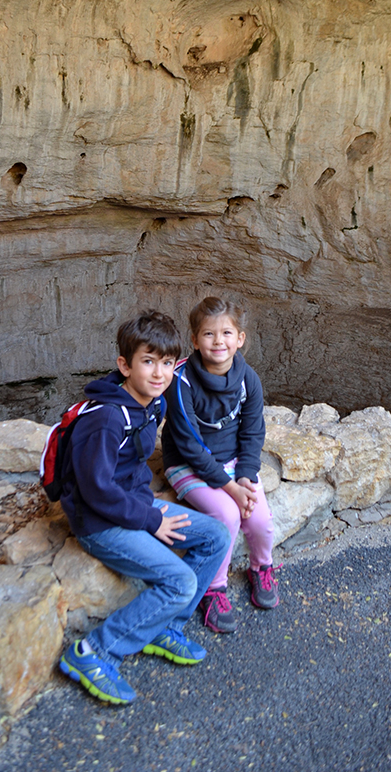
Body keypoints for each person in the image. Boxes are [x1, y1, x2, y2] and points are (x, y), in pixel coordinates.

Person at [58, 310, 231, 705]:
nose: (159, 373)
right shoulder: (104, 418)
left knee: (217, 535)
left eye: (167, 363)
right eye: (148, 361)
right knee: (180, 582)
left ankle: (163, 627)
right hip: (100, 523)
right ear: (125, 364)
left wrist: (148, 509)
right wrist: (151, 518)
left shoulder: (151, 403)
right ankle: (94, 652)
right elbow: (96, 491)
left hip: (132, 506)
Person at [162, 296, 278, 635]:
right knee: (226, 516)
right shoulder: (181, 381)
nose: (218, 341)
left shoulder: (247, 379)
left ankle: (262, 567)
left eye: (227, 333)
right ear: (195, 340)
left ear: (240, 338)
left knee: (260, 522)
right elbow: (190, 446)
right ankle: (213, 588)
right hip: (187, 464)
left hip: (233, 465)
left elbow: (253, 430)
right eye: (208, 334)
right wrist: (231, 489)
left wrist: (244, 475)